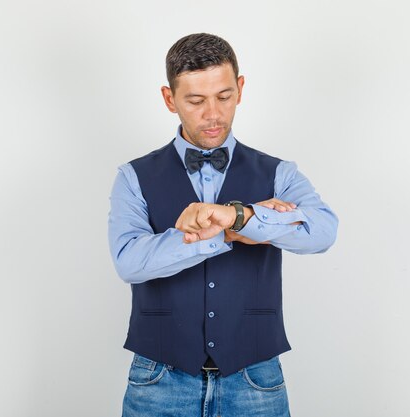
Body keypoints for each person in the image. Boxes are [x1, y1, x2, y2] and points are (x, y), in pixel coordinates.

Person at [108, 33, 338, 417]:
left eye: (224, 96)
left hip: (255, 379)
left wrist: (240, 216)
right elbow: (128, 261)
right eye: (195, 101)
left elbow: (323, 231)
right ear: (170, 99)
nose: (213, 114)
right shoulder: (133, 176)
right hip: (158, 379)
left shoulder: (280, 173)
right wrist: (217, 236)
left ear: (240, 88)